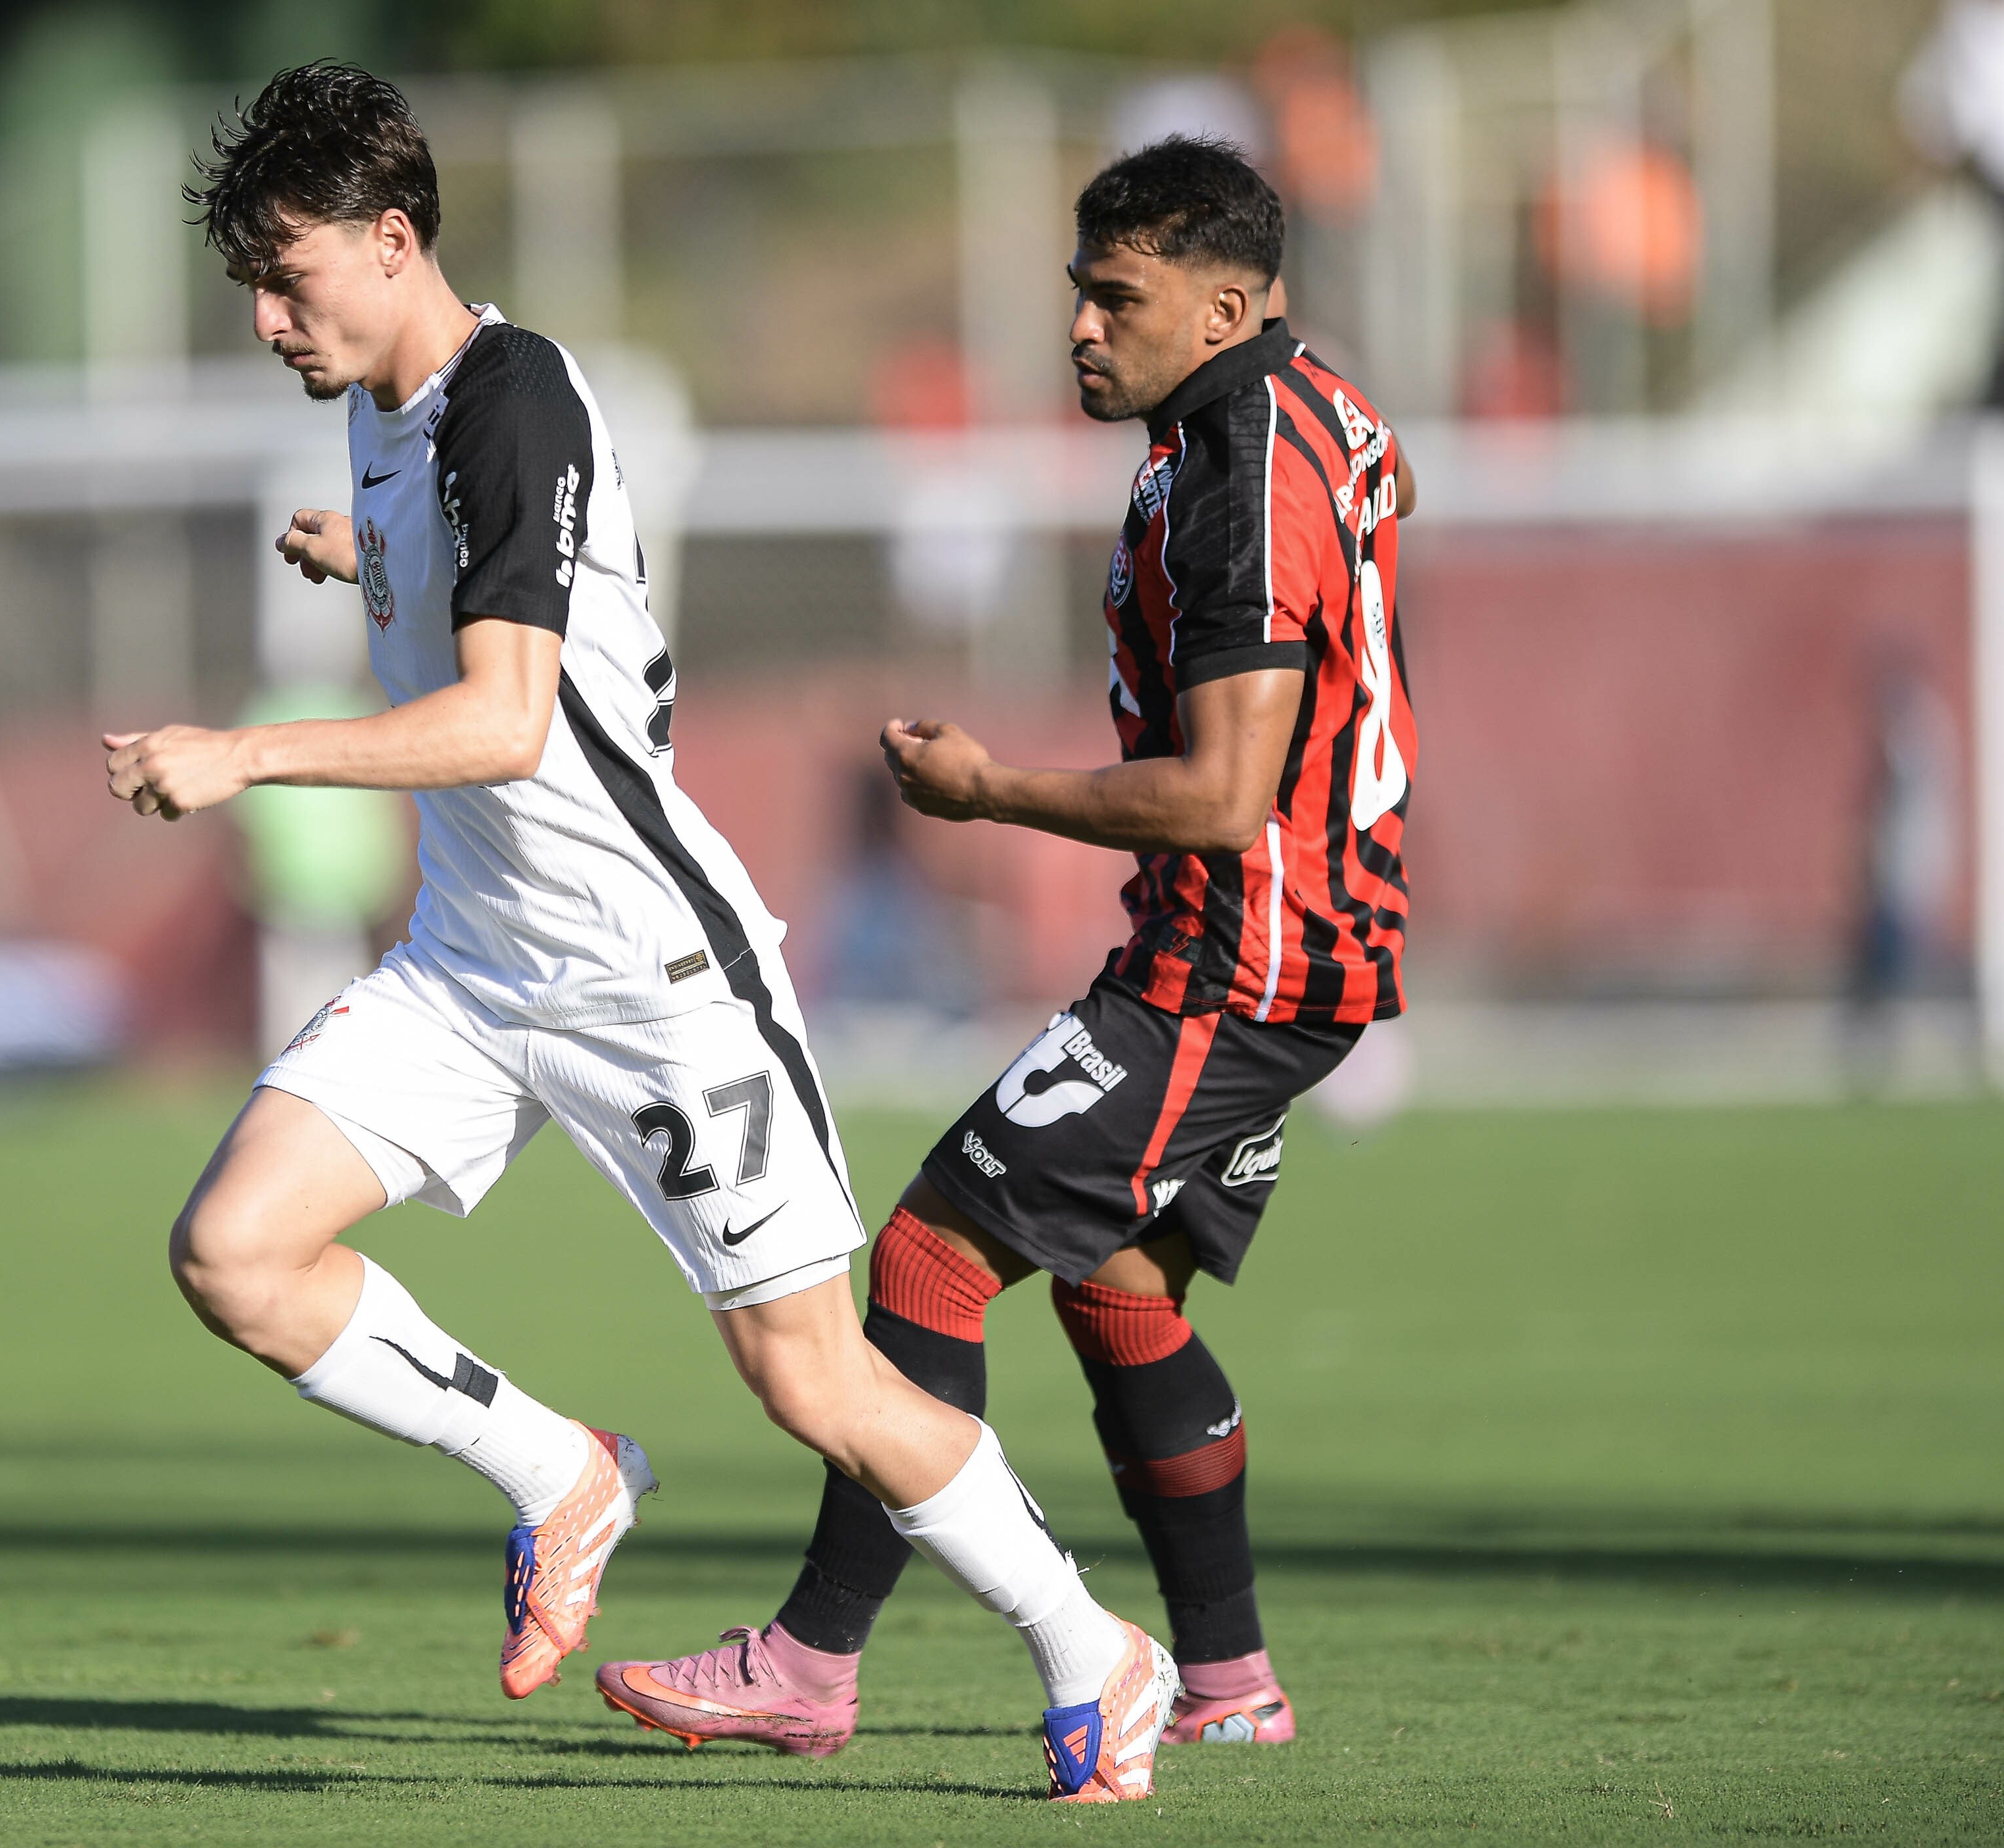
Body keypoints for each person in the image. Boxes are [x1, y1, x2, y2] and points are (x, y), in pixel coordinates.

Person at [100, 63, 1177, 1804]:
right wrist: (356, 552)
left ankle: (1095, 1651)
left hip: (653, 975)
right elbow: (460, 580)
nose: (263, 315)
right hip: (474, 962)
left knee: (813, 1379)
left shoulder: (511, 399)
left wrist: (249, 751)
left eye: (289, 276)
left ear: (394, 244)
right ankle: (559, 1470)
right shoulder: (380, 407)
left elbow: (507, 722)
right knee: (235, 1251)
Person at [599, 134, 1416, 1757]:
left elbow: (1218, 792)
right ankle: (1230, 1683)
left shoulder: (1243, 464)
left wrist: (985, 792)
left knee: (925, 1255)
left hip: (1231, 961)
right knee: (1113, 1283)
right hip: (1302, 947)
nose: (1080, 329)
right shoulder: (1289, 411)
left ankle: (810, 1662)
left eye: (1118, 298)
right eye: (1078, 293)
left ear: (1227, 302)